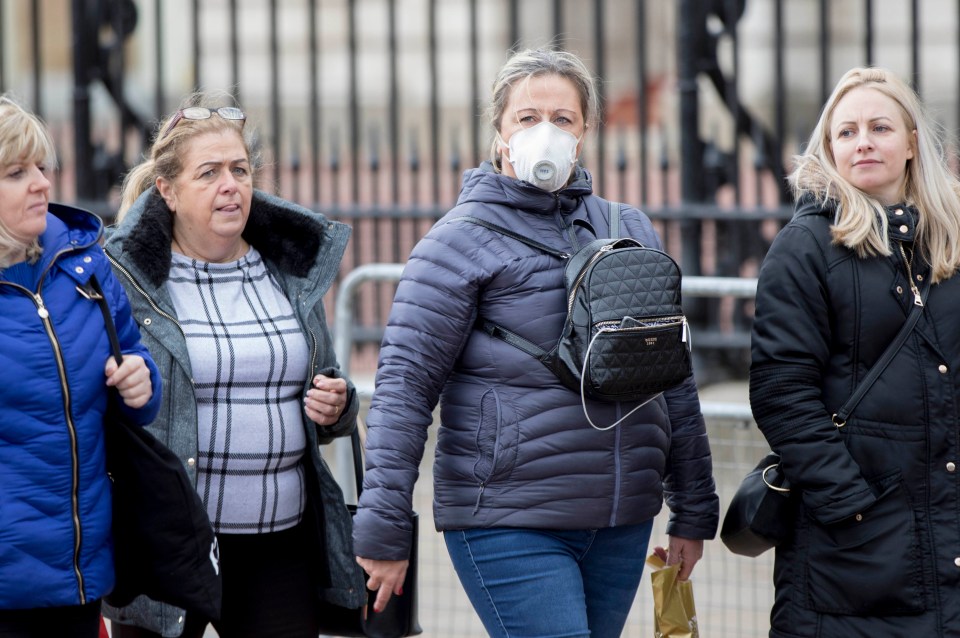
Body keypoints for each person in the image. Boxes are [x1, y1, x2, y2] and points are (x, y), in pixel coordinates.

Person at [352, 47, 719, 638]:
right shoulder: (457, 242)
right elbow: (403, 390)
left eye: (562, 118)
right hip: (510, 520)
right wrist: (384, 528)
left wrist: (694, 506)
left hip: (622, 519)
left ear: (584, 132)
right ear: (499, 132)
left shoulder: (630, 228)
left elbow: (671, 373)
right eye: (527, 118)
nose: (545, 132)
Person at [100, 93, 366, 638]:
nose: (231, 185)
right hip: (171, 543)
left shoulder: (290, 271)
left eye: (240, 170)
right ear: (167, 191)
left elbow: (330, 388)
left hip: (279, 542)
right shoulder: (127, 280)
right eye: (210, 173)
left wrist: (335, 404)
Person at [749, 66, 960, 637]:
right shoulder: (805, 247)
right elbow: (781, 392)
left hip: (945, 528)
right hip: (851, 549)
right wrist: (852, 506)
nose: (863, 141)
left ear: (913, 142)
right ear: (830, 148)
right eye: (846, 132)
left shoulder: (950, 242)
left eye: (880, 127)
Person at [0, 95, 160, 637]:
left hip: (82, 574)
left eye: (41, 167)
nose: (43, 183)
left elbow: (131, 359)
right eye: (17, 172)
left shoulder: (83, 266)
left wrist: (141, 381)